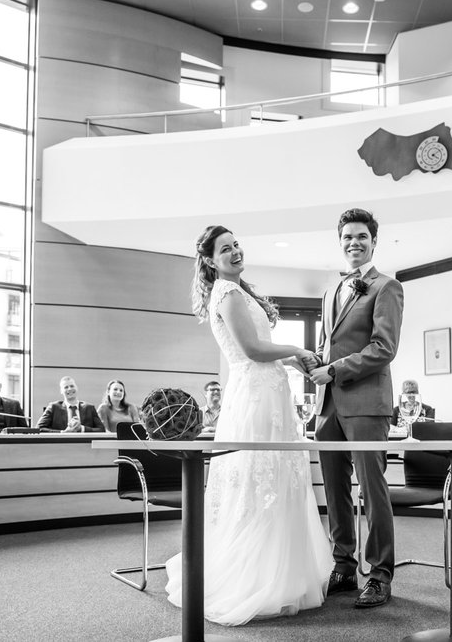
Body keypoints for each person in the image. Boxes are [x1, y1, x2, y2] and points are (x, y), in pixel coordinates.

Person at [165, 225, 331, 626]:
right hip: (255, 399)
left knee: (278, 480)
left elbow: (261, 353)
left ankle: (283, 573)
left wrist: (292, 362)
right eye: (225, 249)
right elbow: (252, 350)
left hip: (267, 391)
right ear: (209, 260)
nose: (235, 251)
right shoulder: (226, 292)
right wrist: (297, 348)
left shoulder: (240, 291)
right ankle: (255, 578)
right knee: (262, 482)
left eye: (236, 245)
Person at [309, 208, 403, 609]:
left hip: (366, 403)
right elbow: (328, 344)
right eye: (347, 236)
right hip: (328, 406)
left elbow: (384, 349)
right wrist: (312, 360)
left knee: (372, 488)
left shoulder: (388, 287)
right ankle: (344, 566)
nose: (354, 242)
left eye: (362, 236)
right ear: (340, 241)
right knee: (334, 490)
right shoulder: (331, 291)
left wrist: (333, 370)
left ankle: (380, 574)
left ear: (374, 241)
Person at [37, 376, 103, 432]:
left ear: (77, 388)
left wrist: (82, 428)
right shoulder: (53, 407)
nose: (70, 389)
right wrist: (63, 433)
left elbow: (101, 429)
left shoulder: (89, 408)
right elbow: (39, 428)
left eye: (72, 386)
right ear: (61, 391)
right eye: (66, 387)